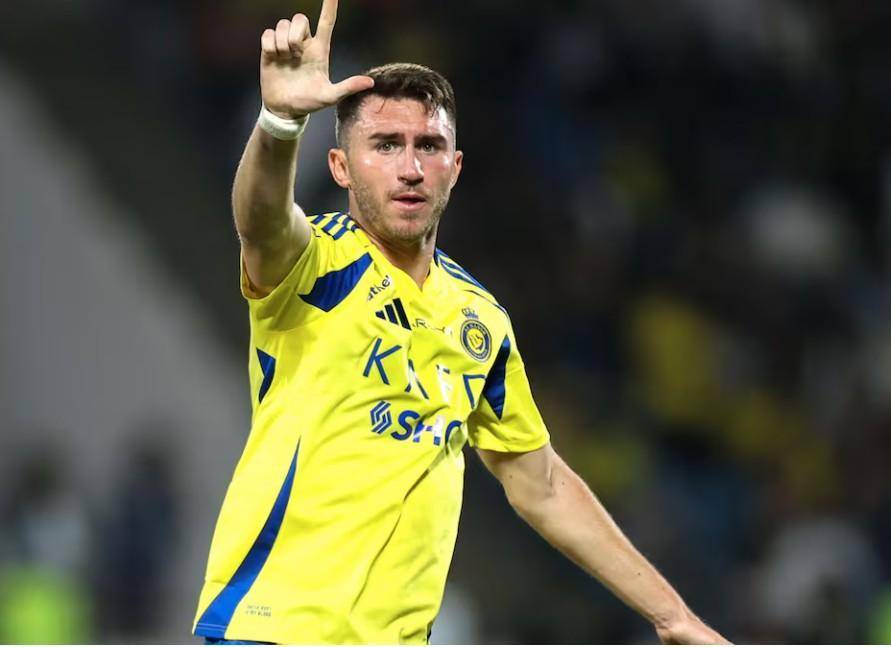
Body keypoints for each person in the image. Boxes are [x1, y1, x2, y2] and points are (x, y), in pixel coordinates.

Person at [192, 1, 729, 643]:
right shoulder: (315, 265)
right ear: (340, 167)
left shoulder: (480, 321)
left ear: (455, 168)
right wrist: (279, 123)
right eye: (385, 146)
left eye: (429, 146)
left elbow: (542, 484)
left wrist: (673, 616)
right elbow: (260, 222)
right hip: (272, 629)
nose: (411, 167)